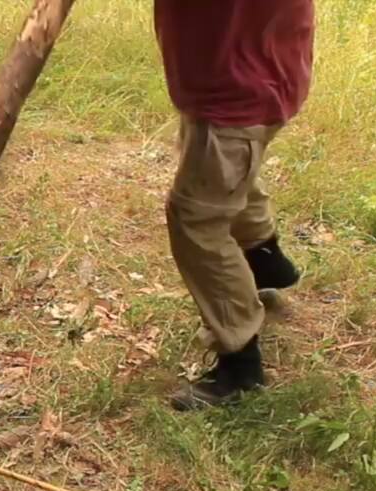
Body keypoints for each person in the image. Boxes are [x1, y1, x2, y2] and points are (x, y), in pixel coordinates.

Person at [154, 0, 315, 410]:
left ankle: (240, 364)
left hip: (240, 82)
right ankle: (265, 260)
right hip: (255, 68)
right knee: (223, 172)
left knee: (196, 218)